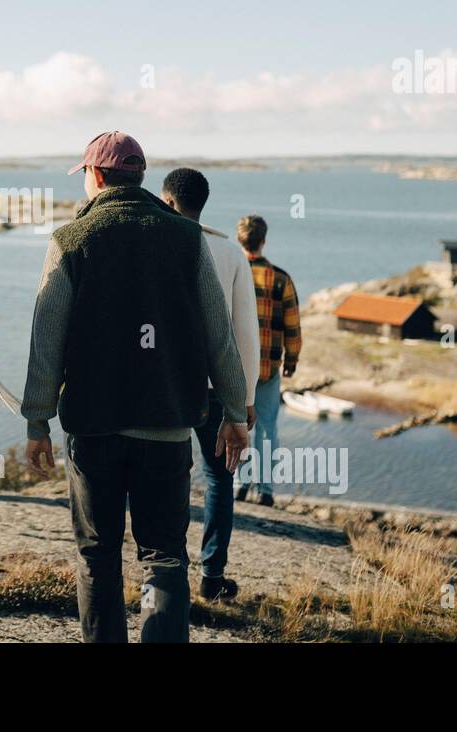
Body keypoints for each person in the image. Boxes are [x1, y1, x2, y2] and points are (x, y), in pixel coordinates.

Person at [22, 131, 248, 643]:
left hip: (93, 429)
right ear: (138, 177)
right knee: (164, 558)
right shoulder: (187, 238)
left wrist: (37, 419)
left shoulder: (70, 241)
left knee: (98, 555)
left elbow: (45, 339)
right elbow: (221, 338)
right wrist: (235, 412)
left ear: (96, 177)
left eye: (84, 173)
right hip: (166, 427)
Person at [160, 168, 259, 601]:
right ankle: (212, 575)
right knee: (220, 480)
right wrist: (247, 400)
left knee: (169, 475)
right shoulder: (230, 251)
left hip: (166, 386)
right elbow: (245, 333)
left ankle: (168, 570)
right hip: (218, 390)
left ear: (167, 201)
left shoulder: (154, 245)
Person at [234, 214, 301, 508]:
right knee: (267, 427)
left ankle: (239, 483)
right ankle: (266, 489)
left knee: (236, 422)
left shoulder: (232, 272)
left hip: (235, 368)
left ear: (240, 240)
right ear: (263, 240)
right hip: (268, 366)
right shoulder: (281, 279)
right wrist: (292, 358)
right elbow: (293, 325)